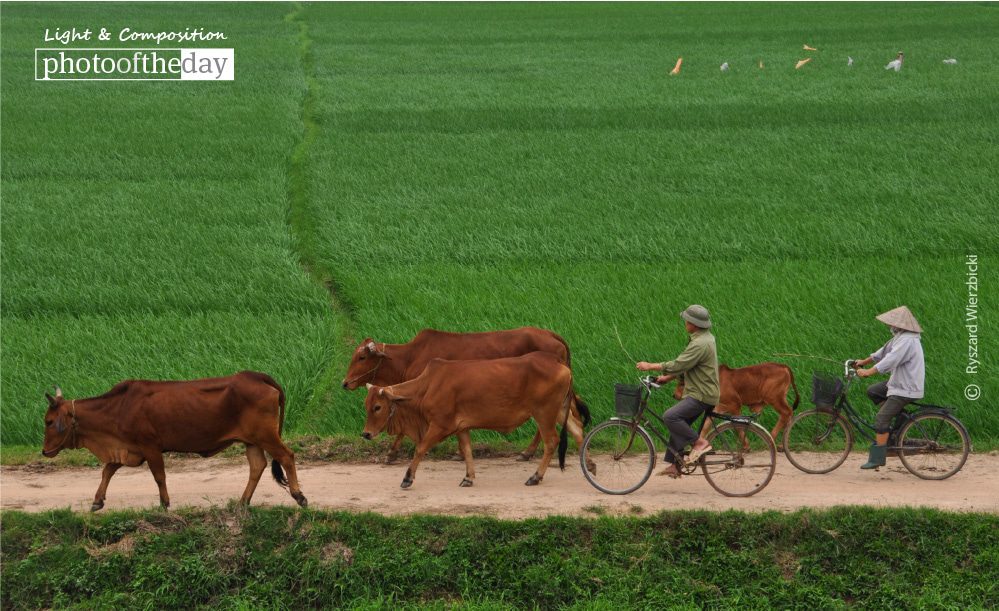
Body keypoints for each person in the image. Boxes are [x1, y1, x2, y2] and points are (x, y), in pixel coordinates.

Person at [636, 304, 720, 478]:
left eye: (687, 320)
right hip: (702, 391)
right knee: (680, 425)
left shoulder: (699, 343)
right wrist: (668, 377)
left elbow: (679, 364)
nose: (685, 323)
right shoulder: (704, 338)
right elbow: (688, 365)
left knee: (671, 416)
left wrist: (650, 366)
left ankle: (700, 443)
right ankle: (676, 465)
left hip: (701, 394)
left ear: (694, 323)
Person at [853, 305, 925, 470]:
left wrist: (869, 372)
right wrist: (863, 362)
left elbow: (891, 359)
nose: (889, 326)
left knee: (881, 418)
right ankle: (899, 422)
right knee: (873, 391)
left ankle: (878, 457)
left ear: (899, 325)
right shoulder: (901, 337)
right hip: (899, 383)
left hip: (906, 388)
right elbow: (883, 352)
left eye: (891, 323)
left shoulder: (908, 340)